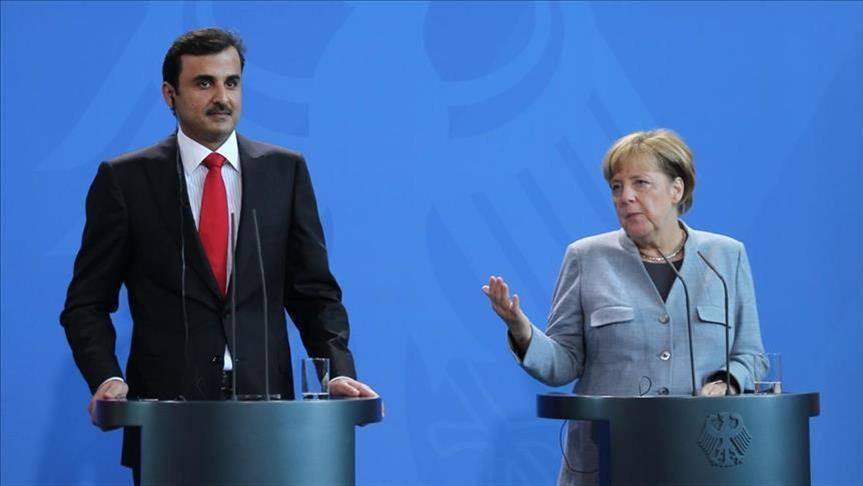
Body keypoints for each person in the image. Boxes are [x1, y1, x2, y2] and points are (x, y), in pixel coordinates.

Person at [60, 27, 377, 478]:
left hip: (270, 418)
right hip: (168, 422)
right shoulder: (126, 180)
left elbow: (315, 293)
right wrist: (107, 378)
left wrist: (337, 370)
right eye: (204, 83)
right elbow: (86, 304)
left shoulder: (284, 172)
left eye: (232, 83)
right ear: (170, 94)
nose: (222, 97)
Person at [482, 129, 766, 485]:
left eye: (640, 183)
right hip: (606, 458)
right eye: (616, 187)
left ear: (676, 189)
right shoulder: (586, 257)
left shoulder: (725, 257)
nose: (626, 197)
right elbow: (563, 363)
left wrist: (727, 381)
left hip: (700, 457)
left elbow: (750, 355)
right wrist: (521, 330)